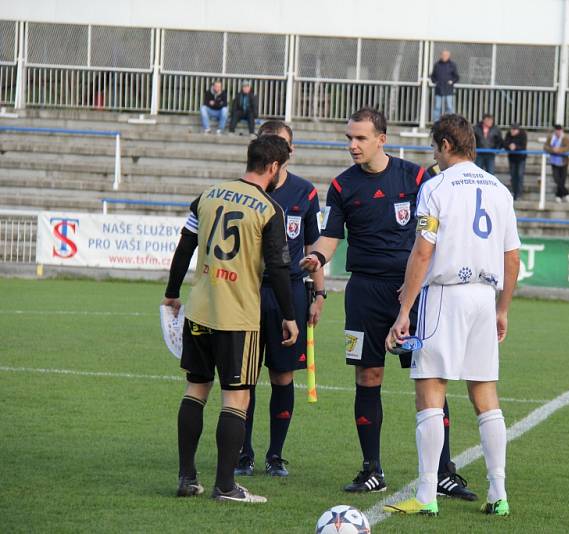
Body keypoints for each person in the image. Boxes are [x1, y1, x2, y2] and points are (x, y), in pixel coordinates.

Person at [299, 108, 476, 500]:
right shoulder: (342, 186)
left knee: (429, 382)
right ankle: (371, 469)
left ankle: (443, 471)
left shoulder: (414, 177)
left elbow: (437, 228)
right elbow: (330, 237)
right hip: (364, 293)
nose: (352, 145)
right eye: (349, 138)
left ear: (382, 138)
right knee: (367, 378)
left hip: (410, 293)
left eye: (360, 138)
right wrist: (317, 258)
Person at [382, 113, 520, 517]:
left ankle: (426, 494)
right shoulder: (499, 188)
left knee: (429, 389)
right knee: (485, 394)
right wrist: (504, 309)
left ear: (444, 145)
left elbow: (423, 251)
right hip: (483, 294)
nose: (434, 154)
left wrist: (404, 309)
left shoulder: (436, 186)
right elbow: (512, 259)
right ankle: (499, 493)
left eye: (433, 146)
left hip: (446, 294)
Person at [162, 135, 299, 503]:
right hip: (237, 317)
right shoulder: (269, 208)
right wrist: (289, 316)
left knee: (196, 389)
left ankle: (187, 476)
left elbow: (185, 245)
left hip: (200, 310)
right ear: (273, 167)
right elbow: (279, 268)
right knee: (236, 399)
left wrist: (172, 292)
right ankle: (226, 486)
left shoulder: (207, 196)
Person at [235, 121, 326, 478]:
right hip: (249, 291)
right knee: (244, 377)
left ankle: (275, 455)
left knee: (282, 376)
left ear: (291, 151)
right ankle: (243, 454)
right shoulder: (246, 190)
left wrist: (319, 293)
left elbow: (313, 246)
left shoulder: (305, 192)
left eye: (282, 145)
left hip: (289, 294)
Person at [543, 124, 569, 203]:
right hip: (553, 161)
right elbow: (545, 146)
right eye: (557, 131)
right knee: (556, 179)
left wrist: (558, 150)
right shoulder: (551, 137)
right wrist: (553, 149)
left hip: (563, 162)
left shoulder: (566, 138)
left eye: (559, 131)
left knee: (562, 180)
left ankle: (558, 195)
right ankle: (566, 193)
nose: (558, 132)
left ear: (562, 131)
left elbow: (567, 148)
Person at [430, 50, 459, 122]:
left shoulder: (452, 65)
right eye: (443, 55)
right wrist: (435, 82)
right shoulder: (437, 64)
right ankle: (436, 122)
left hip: (448, 89)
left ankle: (451, 122)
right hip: (439, 89)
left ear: (449, 56)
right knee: (437, 107)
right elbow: (433, 76)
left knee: (449, 107)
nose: (444, 57)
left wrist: (452, 81)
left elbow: (456, 77)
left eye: (446, 55)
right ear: (441, 55)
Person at [504, 123, 528, 200]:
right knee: (513, 176)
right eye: (512, 129)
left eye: (514, 130)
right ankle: (515, 193)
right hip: (512, 159)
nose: (513, 131)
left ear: (518, 130)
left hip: (521, 159)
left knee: (520, 176)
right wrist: (509, 146)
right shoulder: (508, 134)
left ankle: (519, 194)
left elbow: (523, 146)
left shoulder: (523, 134)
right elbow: (505, 144)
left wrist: (515, 147)